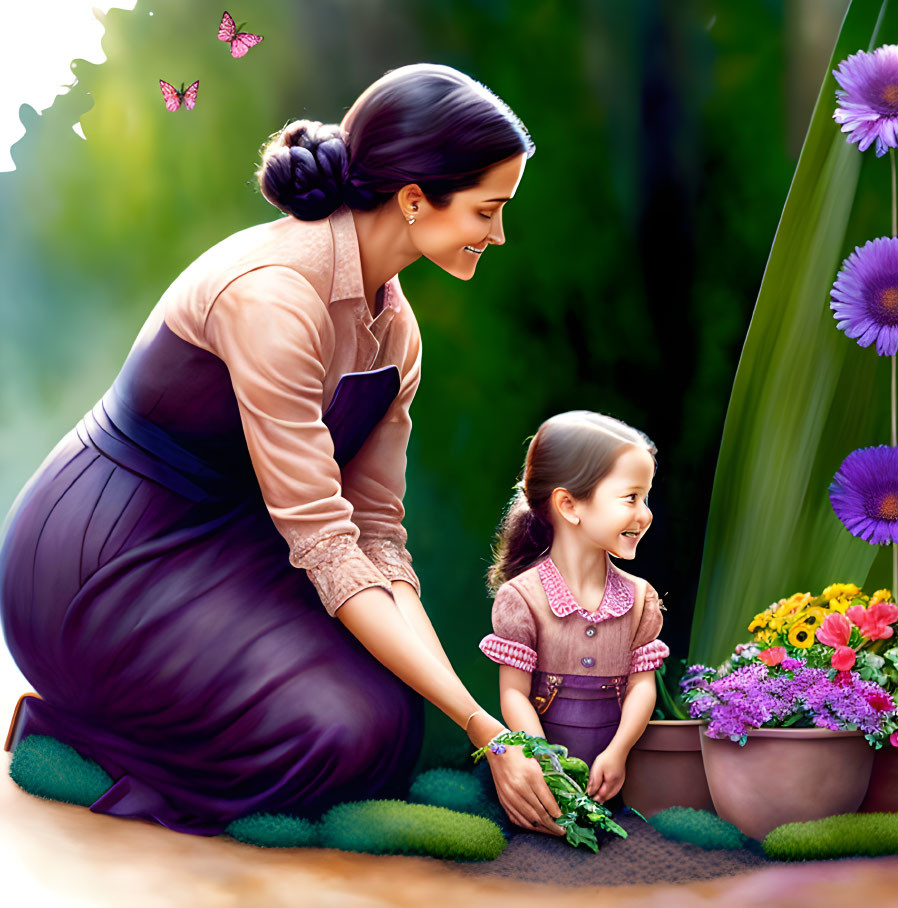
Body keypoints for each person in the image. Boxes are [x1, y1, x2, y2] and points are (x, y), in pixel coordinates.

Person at [0, 63, 564, 837]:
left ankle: (133, 730)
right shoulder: (272, 296)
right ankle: (78, 734)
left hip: (228, 547)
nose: (497, 234)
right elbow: (324, 542)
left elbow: (373, 535)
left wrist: (475, 724)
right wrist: (482, 726)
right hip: (101, 557)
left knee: (391, 725)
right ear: (412, 200)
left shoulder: (394, 327)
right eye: (486, 209)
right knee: (332, 735)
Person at [479, 411, 670, 804]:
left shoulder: (639, 599)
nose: (645, 514)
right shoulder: (523, 599)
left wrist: (618, 752)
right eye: (631, 497)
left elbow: (641, 686)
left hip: (618, 784)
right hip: (544, 783)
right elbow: (513, 693)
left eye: (645, 497)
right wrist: (544, 761)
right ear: (569, 505)